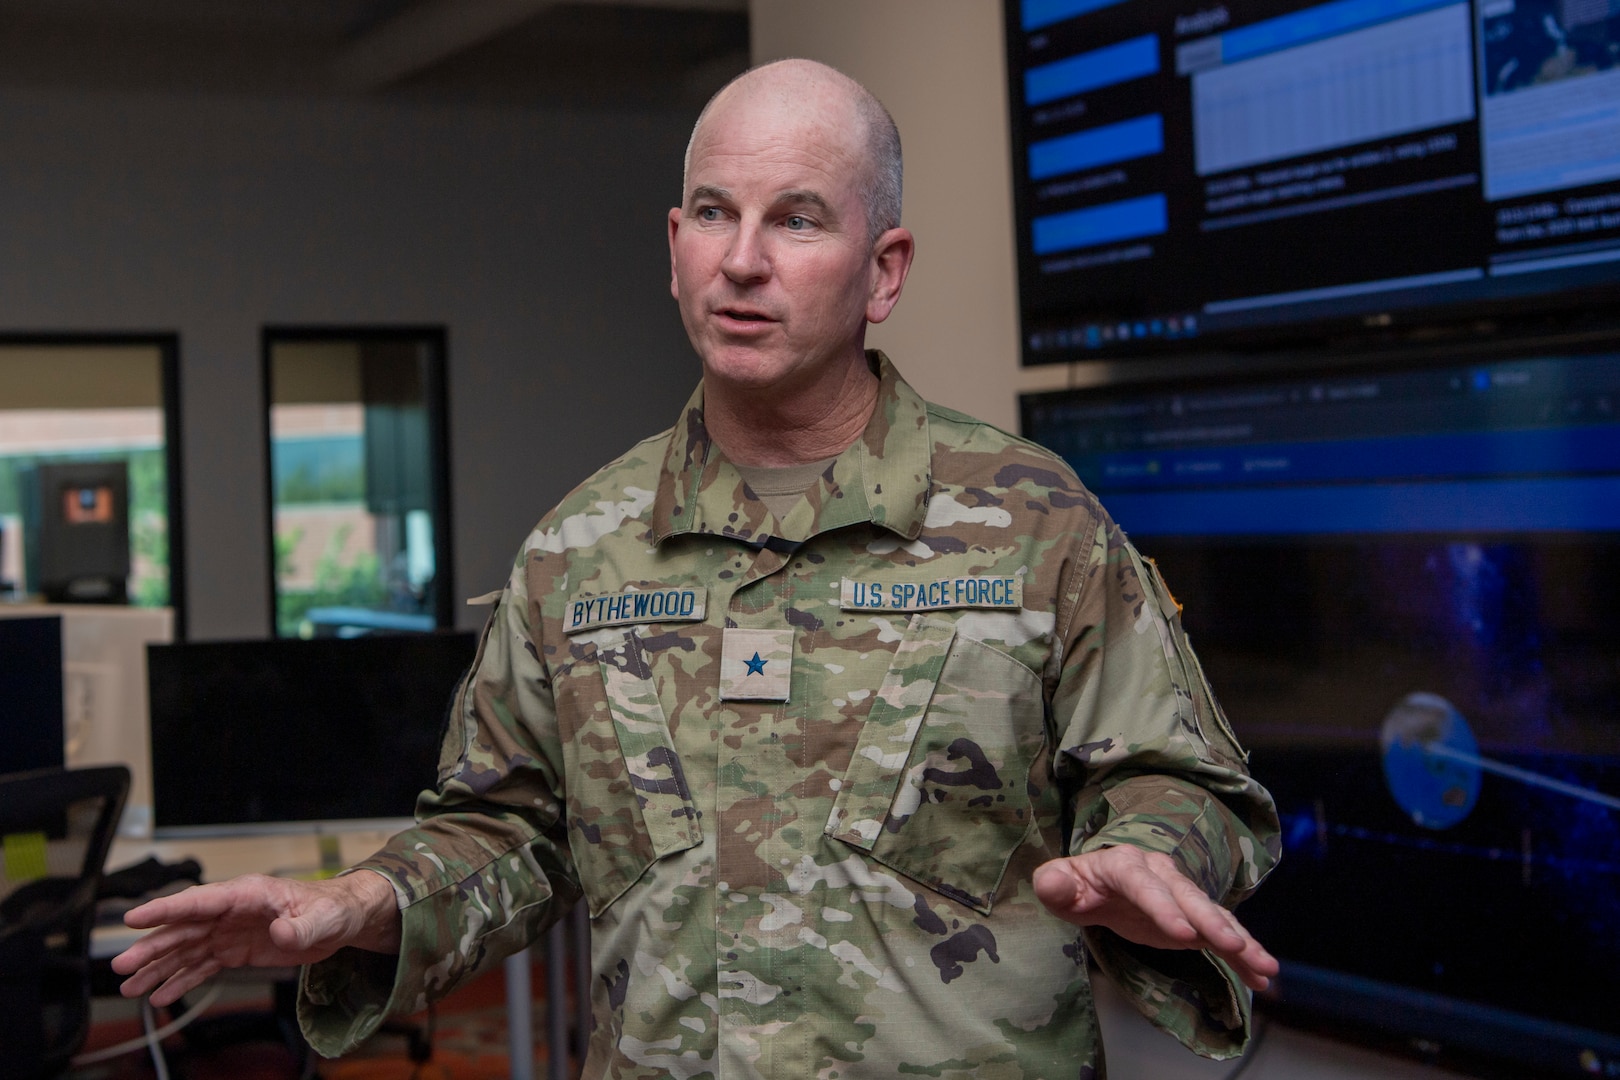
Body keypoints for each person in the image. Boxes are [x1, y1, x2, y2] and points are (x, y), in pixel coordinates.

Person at [113, 58, 1281, 1077]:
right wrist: (356, 903)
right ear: (675, 252)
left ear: (883, 271)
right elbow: (506, 830)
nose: (745, 261)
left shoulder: (1032, 521)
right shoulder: (581, 549)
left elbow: (1186, 782)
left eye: (799, 219)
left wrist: (1149, 849)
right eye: (715, 214)